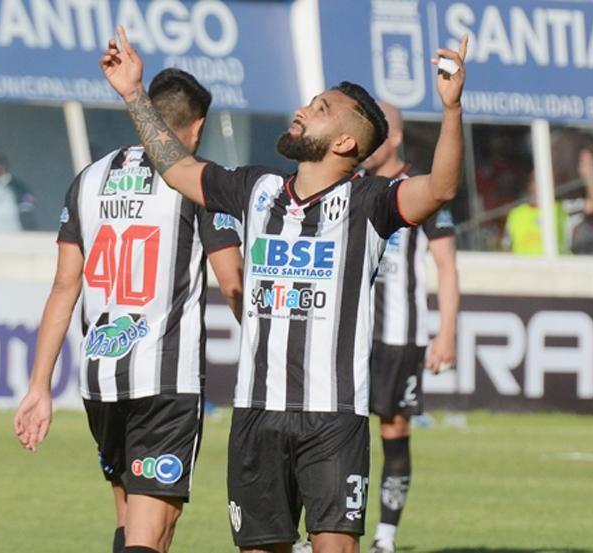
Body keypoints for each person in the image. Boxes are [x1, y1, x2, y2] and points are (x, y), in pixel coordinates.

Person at [101, 26, 468, 553]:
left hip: (333, 415)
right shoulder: (257, 188)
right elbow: (177, 167)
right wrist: (134, 94)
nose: (303, 109)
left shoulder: (369, 204)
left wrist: (451, 111)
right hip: (255, 413)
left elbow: (441, 188)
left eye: (320, 108)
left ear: (345, 142)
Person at [13, 68, 244, 553]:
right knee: (152, 532)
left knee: (131, 521)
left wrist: (39, 386)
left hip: (100, 382)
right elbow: (234, 284)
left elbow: (63, 287)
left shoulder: (89, 179)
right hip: (164, 385)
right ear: (197, 127)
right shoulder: (199, 184)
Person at [359, 102, 460, 553]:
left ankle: (386, 535)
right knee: (335, 429)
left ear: (394, 138)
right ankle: (330, 530)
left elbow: (447, 266)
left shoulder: (424, 190)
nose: (365, 142)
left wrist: (447, 332)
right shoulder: (351, 186)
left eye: (375, 132)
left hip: (401, 337)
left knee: (394, 430)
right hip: (353, 333)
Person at [504, 171, 569, 256]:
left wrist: (588, 176)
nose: (543, 185)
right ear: (530, 185)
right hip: (525, 268)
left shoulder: (563, 208)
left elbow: (591, 204)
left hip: (558, 268)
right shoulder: (515, 214)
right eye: (537, 181)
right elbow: (505, 247)